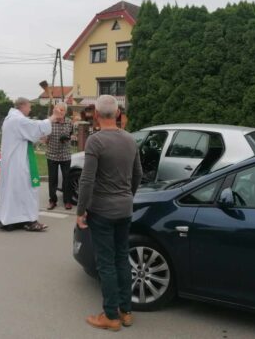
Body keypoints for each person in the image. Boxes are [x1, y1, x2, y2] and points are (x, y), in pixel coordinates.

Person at [76, 95, 143, 331]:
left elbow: (87, 180)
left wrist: (81, 210)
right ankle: (126, 311)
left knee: (106, 263)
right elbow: (138, 174)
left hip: (102, 211)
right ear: (117, 114)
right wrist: (127, 196)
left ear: (95, 115)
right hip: (124, 209)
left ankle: (111, 316)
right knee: (122, 258)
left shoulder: (95, 141)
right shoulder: (130, 140)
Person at [0, 97, 60, 232]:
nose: (30, 109)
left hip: (13, 163)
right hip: (19, 164)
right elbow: (35, 127)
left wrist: (38, 137)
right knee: (28, 190)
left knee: (14, 192)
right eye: (29, 106)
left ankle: (10, 219)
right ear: (22, 106)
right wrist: (53, 117)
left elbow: (27, 135)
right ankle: (30, 221)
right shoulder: (17, 120)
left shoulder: (10, 119)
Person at [46, 102, 74, 210]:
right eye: (58, 109)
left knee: (67, 179)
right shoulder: (49, 122)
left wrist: (69, 138)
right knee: (52, 179)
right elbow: (45, 138)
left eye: (62, 110)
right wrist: (45, 139)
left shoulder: (69, 122)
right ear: (55, 110)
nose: (60, 112)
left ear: (65, 112)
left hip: (65, 155)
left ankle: (67, 201)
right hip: (52, 155)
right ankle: (52, 201)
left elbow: (72, 134)